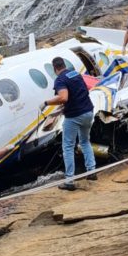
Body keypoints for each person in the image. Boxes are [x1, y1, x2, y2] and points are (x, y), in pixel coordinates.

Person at [44, 56, 97, 191]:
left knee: (68, 146)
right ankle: (91, 171)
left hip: (74, 116)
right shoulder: (76, 74)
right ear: (64, 64)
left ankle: (69, 181)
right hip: (88, 112)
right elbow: (80, 92)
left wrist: (46, 103)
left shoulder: (60, 80)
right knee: (85, 141)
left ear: (55, 68)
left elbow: (64, 97)